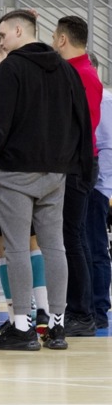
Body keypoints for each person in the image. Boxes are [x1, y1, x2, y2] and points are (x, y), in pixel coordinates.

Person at [0, 9, 93, 351]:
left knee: (17, 248)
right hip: (56, 172)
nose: (1, 40)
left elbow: (2, 122)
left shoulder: (11, 67)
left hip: (15, 172)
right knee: (54, 246)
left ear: (19, 31)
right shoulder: (65, 67)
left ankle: (23, 326)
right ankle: (57, 326)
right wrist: (81, 165)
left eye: (3, 33)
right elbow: (81, 118)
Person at [0, 34, 49, 337]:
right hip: (36, 166)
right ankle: (43, 310)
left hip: (1, 168)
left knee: (5, 243)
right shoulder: (37, 73)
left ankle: (17, 315)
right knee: (34, 242)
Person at [52, 15, 103, 336]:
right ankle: (79, 309)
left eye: (54, 38)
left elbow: (82, 127)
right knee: (72, 237)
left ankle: (82, 313)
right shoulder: (76, 71)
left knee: (73, 238)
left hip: (77, 164)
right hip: (73, 163)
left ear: (62, 39)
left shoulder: (82, 74)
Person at [88, 86, 112, 329]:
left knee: (96, 247)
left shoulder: (104, 99)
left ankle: (99, 308)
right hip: (83, 183)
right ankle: (85, 307)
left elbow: (107, 146)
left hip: (96, 186)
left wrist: (102, 187)